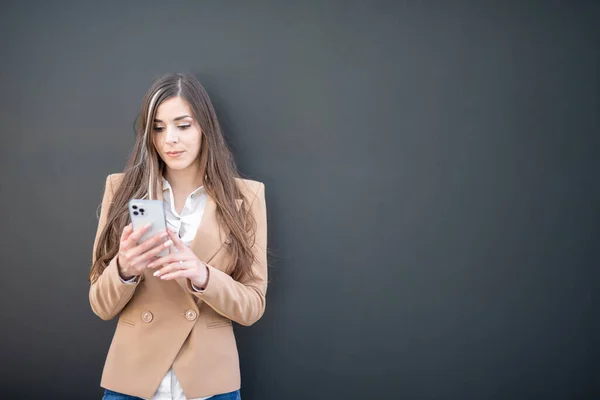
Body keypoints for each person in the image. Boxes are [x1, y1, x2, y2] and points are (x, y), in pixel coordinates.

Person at [88, 73, 268, 400]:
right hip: (132, 380)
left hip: (210, 382)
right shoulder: (120, 189)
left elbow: (253, 305)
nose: (169, 138)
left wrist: (203, 276)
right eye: (158, 128)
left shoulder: (248, 197)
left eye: (183, 125)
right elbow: (100, 305)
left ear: (204, 129)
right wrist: (124, 268)